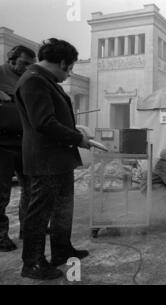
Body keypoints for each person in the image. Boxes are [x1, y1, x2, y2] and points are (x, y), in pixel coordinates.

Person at [15, 38, 91, 280]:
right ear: (61, 62)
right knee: (40, 211)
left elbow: (54, 117)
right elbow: (43, 123)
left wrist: (74, 131)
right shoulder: (34, 81)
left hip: (59, 159)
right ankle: (33, 263)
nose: (69, 74)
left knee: (62, 207)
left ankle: (61, 249)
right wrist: (77, 138)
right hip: (45, 159)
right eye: (69, 68)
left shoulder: (46, 81)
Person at [0, 45, 36, 251]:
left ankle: (28, 228)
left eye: (30, 65)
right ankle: (0, 235)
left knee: (31, 188)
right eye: (23, 63)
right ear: (11, 59)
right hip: (2, 144)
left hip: (25, 142)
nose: (26, 68)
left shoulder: (28, 78)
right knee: (1, 193)